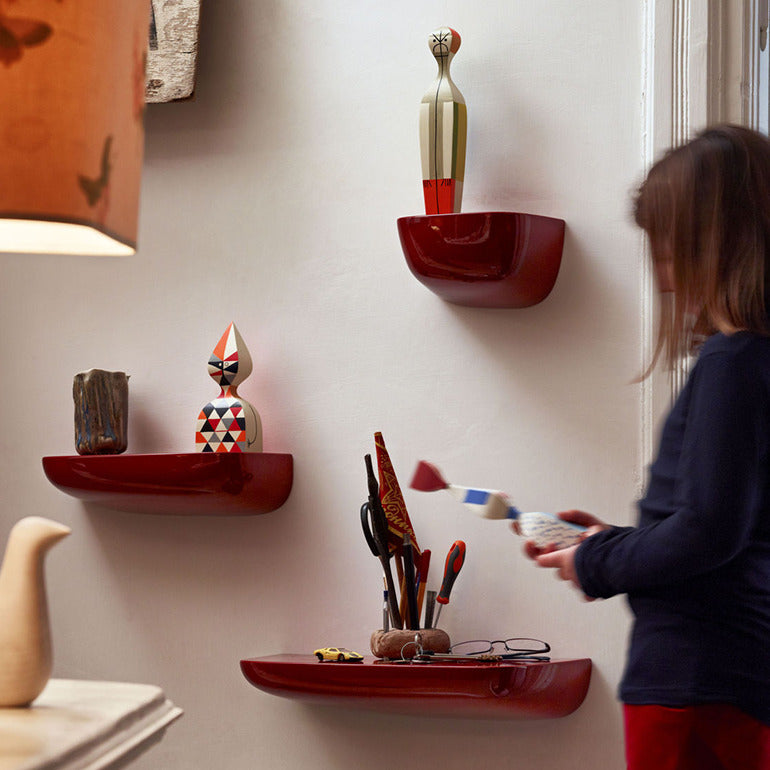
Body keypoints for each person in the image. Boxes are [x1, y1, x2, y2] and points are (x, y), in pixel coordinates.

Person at [523, 125, 770, 770]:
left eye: (668, 248)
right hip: (732, 682)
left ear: (715, 243)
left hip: (694, 684)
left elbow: (708, 530)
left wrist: (597, 562)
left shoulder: (733, 363)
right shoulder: (755, 365)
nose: (663, 276)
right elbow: (729, 527)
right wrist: (614, 543)